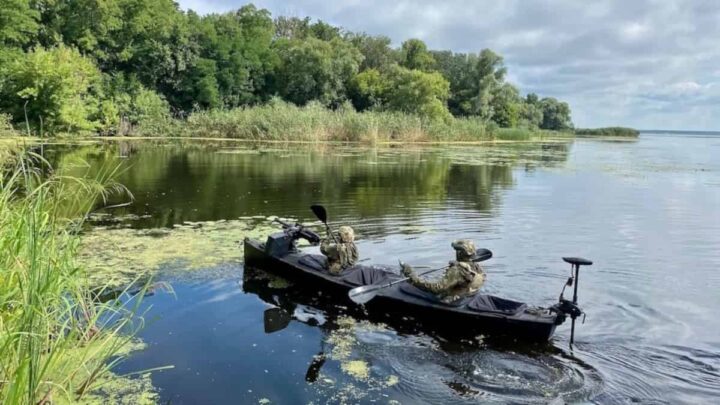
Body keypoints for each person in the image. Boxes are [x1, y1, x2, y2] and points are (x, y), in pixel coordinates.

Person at [401, 239, 485, 303]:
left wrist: (414, 279)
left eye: (457, 251)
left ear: (460, 253)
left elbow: (437, 288)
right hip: (468, 295)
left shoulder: (456, 270)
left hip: (453, 301)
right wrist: (457, 264)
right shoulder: (476, 266)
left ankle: (409, 273)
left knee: (425, 288)